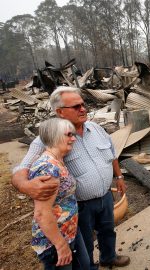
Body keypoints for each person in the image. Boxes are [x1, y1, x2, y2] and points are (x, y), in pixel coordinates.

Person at [12, 86, 130, 269]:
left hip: (106, 195)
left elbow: (112, 154)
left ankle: (109, 257)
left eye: (83, 104)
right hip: (80, 205)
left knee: (108, 230)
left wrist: (119, 176)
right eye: (76, 107)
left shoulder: (96, 128)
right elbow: (22, 168)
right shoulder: (49, 138)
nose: (83, 109)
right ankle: (89, 266)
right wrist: (25, 186)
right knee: (85, 245)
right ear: (59, 112)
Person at [28, 117, 90, 270]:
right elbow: (42, 213)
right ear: (55, 135)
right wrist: (60, 245)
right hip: (55, 241)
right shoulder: (48, 168)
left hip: (69, 231)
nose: (73, 139)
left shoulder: (58, 161)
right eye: (69, 135)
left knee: (84, 264)